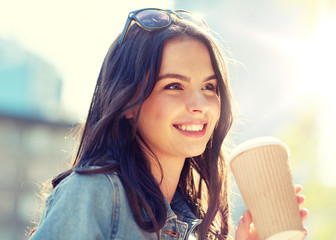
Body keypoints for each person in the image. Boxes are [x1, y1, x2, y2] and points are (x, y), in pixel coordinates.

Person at [30, 8, 308, 240]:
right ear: (127, 102)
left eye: (209, 87)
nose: (200, 104)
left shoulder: (196, 225)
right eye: (174, 85)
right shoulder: (95, 193)